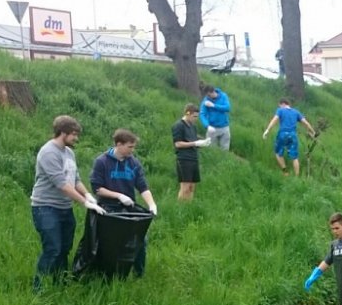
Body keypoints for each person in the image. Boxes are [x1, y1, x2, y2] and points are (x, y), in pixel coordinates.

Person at [30, 115, 105, 291]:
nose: (76, 138)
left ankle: (60, 283)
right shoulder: (48, 153)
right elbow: (62, 185)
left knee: (64, 248)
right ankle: (38, 288)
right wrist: (83, 203)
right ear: (62, 133)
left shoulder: (69, 153)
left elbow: (75, 179)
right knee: (53, 249)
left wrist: (88, 195)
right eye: (73, 134)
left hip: (65, 208)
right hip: (46, 208)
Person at [90, 128, 158, 277]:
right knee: (110, 243)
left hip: (128, 207)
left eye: (133, 147)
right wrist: (118, 195)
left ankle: (138, 275)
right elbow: (97, 188)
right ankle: (106, 274)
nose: (132, 150)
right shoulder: (102, 162)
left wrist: (151, 204)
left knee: (140, 241)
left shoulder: (133, 163)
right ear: (118, 144)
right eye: (130, 147)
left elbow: (142, 187)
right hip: (107, 208)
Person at [263, 97, 316, 177]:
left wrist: (267, 130)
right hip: (293, 135)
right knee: (294, 157)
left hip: (283, 134)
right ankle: (297, 176)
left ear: (283, 104)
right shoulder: (296, 112)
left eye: (280, 105)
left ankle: (285, 172)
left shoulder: (280, 110)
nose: (279, 107)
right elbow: (305, 123)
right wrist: (313, 132)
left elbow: (274, 120)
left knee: (278, 153)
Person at [172, 104, 210, 201]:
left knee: (192, 187)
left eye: (197, 117)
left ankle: (189, 206)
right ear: (188, 113)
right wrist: (195, 143)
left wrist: (202, 143)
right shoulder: (179, 125)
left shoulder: (193, 127)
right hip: (184, 159)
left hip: (194, 158)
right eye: (194, 116)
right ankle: (180, 208)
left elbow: (193, 139)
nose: (196, 119)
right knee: (185, 187)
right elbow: (178, 144)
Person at [199, 84, 232, 151]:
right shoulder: (206, 100)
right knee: (211, 149)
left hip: (224, 127)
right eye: (207, 95)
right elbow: (202, 114)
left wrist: (214, 105)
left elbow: (227, 108)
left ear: (213, 92)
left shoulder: (223, 96)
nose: (208, 97)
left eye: (209, 95)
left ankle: (224, 161)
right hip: (212, 128)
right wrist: (207, 125)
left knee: (225, 150)